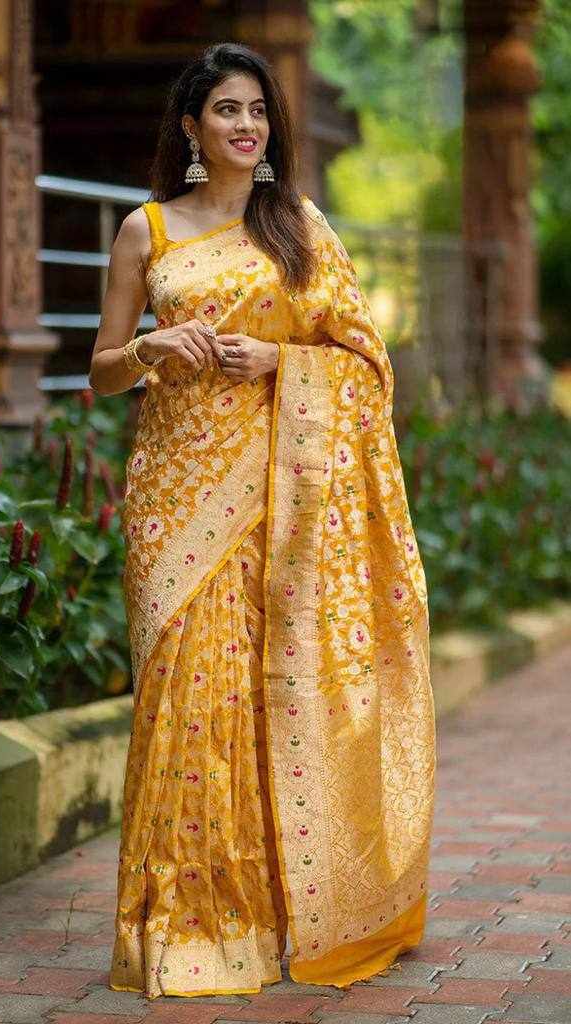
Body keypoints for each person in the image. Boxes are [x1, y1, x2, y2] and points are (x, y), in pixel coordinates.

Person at [89, 41, 436, 1002]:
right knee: (183, 702)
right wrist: (153, 347)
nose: (245, 127)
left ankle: (273, 918)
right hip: (175, 497)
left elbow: (364, 362)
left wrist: (281, 362)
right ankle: (185, 926)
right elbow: (102, 370)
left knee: (260, 696)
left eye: (256, 111)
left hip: (281, 499)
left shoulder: (300, 228)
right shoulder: (146, 230)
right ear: (191, 126)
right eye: (226, 111)